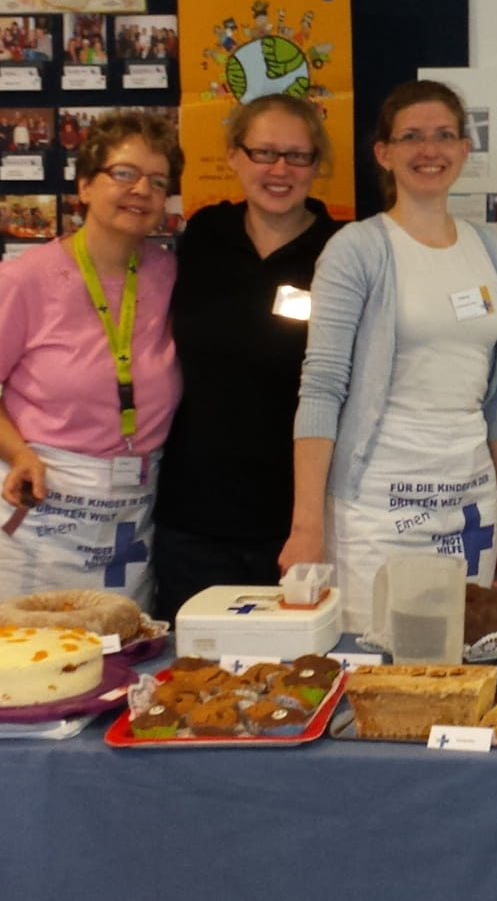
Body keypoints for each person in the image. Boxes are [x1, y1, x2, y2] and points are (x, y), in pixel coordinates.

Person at [286, 80, 497, 628]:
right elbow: (322, 387)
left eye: (444, 135)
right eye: (411, 136)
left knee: (459, 659)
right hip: (377, 505)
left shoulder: (491, 251)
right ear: (384, 153)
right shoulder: (357, 250)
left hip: (470, 503)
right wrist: (307, 526)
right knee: (377, 663)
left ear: (466, 149)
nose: (429, 150)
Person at [0, 110, 183, 628]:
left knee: (113, 660)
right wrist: (18, 452)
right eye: (124, 173)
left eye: (157, 180)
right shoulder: (23, 279)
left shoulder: (168, 274)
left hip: (125, 509)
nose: (140, 189)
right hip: (37, 499)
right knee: (10, 660)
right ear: (84, 184)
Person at [153, 94, 343, 620]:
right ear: (234, 157)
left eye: (297, 156)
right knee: (191, 680)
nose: (279, 169)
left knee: (296, 679)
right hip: (192, 519)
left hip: (299, 523)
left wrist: (310, 525)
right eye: (264, 152)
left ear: (316, 165)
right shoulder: (205, 236)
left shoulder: (343, 250)